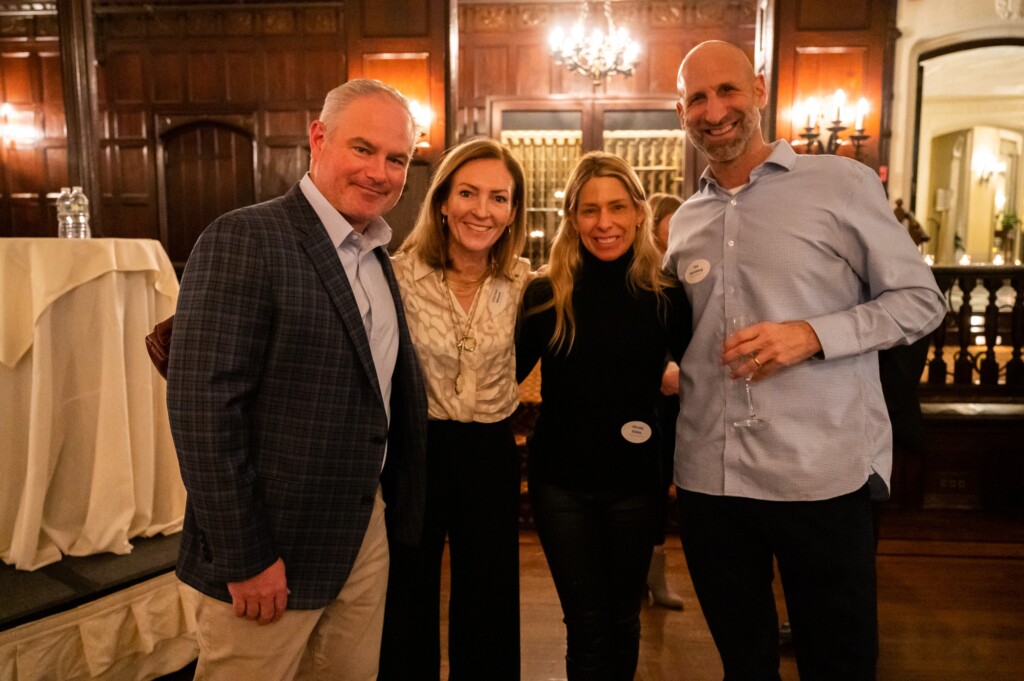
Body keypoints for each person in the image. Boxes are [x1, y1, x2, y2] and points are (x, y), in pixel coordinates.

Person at [665, 41, 946, 681]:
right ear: (682, 112)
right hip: (712, 481)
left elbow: (922, 303)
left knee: (838, 662)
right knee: (744, 662)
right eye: (698, 98)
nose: (715, 111)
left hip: (817, 476)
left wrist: (813, 334)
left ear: (759, 90)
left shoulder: (839, 183)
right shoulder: (685, 222)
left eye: (728, 90)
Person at [166, 79, 428, 681]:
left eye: (397, 159)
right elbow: (203, 413)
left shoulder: (377, 255)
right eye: (363, 149)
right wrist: (245, 555)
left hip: (361, 536)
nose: (381, 173)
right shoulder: (245, 239)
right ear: (319, 139)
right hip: (268, 553)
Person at [517, 151, 691, 680]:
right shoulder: (546, 294)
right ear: (572, 217)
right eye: (589, 210)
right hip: (561, 482)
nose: (604, 222)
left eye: (617, 207)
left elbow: (703, 381)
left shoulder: (667, 296)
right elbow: (495, 376)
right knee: (587, 625)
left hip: (637, 480)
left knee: (623, 619)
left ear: (639, 212)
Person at [378, 138, 529, 680]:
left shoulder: (524, 285)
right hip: (417, 448)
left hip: (490, 451)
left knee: (488, 598)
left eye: (498, 198)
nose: (481, 211)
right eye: (468, 193)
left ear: (513, 212)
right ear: (442, 201)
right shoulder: (395, 277)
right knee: (407, 591)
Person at [646, 192, 685, 610]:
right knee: (650, 482)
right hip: (647, 398)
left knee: (662, 484)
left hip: (677, 401)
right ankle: (645, 575)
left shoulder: (680, 274)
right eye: (673, 223)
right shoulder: (643, 274)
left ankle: (655, 575)